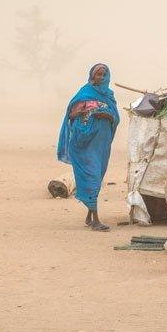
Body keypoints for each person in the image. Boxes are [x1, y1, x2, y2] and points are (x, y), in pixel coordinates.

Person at [57, 63, 120, 231]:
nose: (99, 77)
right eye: (97, 74)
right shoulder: (84, 93)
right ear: (92, 75)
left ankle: (89, 217)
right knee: (91, 178)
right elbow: (71, 115)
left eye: (103, 75)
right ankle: (96, 221)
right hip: (84, 143)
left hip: (101, 146)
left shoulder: (109, 96)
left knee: (97, 178)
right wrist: (84, 114)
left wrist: (106, 115)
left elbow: (116, 118)